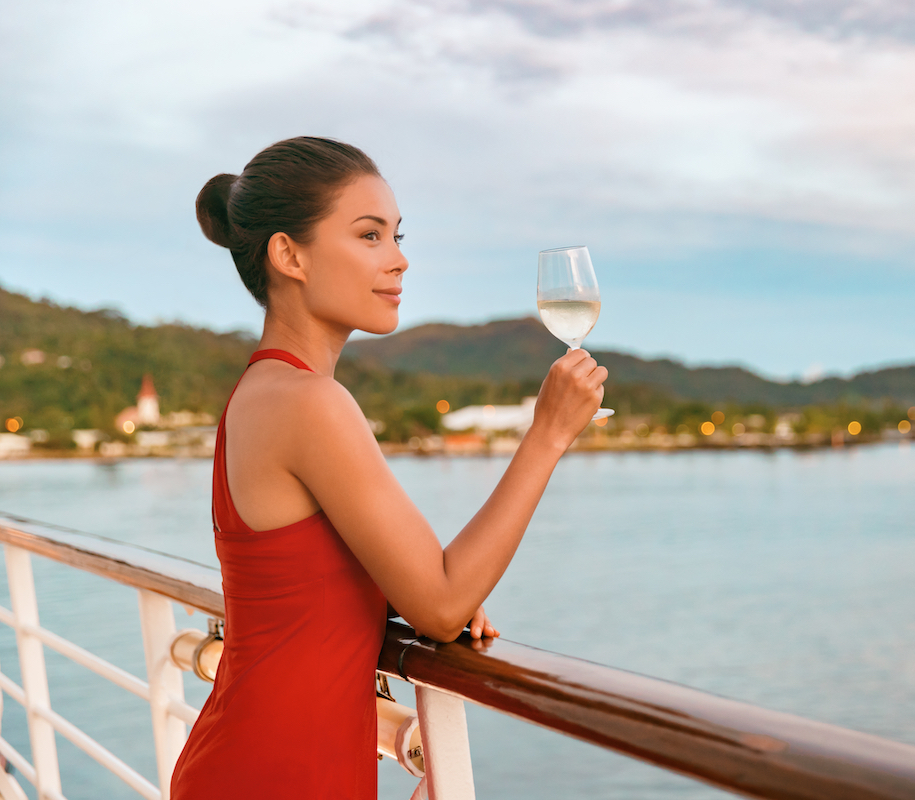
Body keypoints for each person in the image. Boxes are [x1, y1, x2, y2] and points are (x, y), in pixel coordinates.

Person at [171, 136, 607, 799]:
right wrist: (547, 434)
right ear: (288, 254)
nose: (399, 261)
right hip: (282, 775)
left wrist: (406, 593)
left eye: (396, 236)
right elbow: (439, 604)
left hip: (253, 758)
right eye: (370, 236)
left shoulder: (262, 393)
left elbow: (341, 585)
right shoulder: (310, 402)